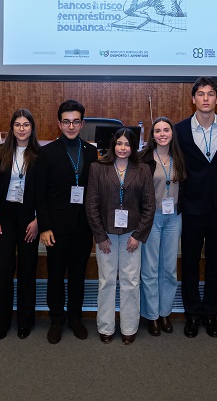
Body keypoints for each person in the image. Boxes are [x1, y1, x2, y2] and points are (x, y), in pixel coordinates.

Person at [173, 77, 217, 338]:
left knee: (214, 264)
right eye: (200, 94)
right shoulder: (179, 129)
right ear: (193, 99)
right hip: (191, 206)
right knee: (189, 264)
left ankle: (210, 314)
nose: (206, 98)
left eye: (211, 94)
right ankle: (191, 314)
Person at [33, 99, 97, 344]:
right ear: (59, 124)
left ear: (82, 123)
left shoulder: (91, 152)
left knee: (78, 275)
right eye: (66, 122)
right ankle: (57, 320)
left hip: (83, 226)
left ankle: (75, 319)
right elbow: (40, 194)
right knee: (56, 275)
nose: (71, 126)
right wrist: (45, 226)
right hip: (56, 228)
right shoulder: (47, 152)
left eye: (76, 121)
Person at [86, 128, 155, 344]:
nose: (122, 148)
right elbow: (91, 204)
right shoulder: (98, 168)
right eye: (119, 143)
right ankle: (105, 327)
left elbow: (149, 206)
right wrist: (99, 236)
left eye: (127, 144)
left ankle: (129, 327)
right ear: (112, 146)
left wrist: (138, 235)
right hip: (105, 234)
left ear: (133, 147)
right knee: (106, 281)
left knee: (131, 282)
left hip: (131, 236)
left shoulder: (142, 169)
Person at [0, 109, 41, 340]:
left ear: (32, 128)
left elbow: (45, 192)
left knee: (27, 270)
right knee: (4, 270)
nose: (22, 128)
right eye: (17, 124)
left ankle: (25, 321)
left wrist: (39, 220)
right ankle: (3, 321)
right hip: (5, 217)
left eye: (26, 124)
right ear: (11, 128)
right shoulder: (1, 152)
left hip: (29, 217)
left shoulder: (40, 154)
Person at [139, 116, 186, 337]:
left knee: (169, 269)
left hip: (174, 217)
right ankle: (151, 315)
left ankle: (165, 311)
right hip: (152, 218)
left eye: (166, 130)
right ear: (152, 135)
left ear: (172, 133)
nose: (162, 134)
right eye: (157, 131)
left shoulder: (180, 157)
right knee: (149, 269)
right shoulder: (144, 158)